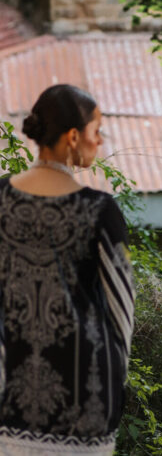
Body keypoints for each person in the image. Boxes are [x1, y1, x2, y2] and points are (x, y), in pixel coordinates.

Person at [0, 85, 135, 455]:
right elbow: (121, 310)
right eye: (97, 131)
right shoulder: (101, 210)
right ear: (74, 136)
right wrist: (117, 384)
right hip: (86, 397)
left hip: (9, 393)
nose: (100, 141)